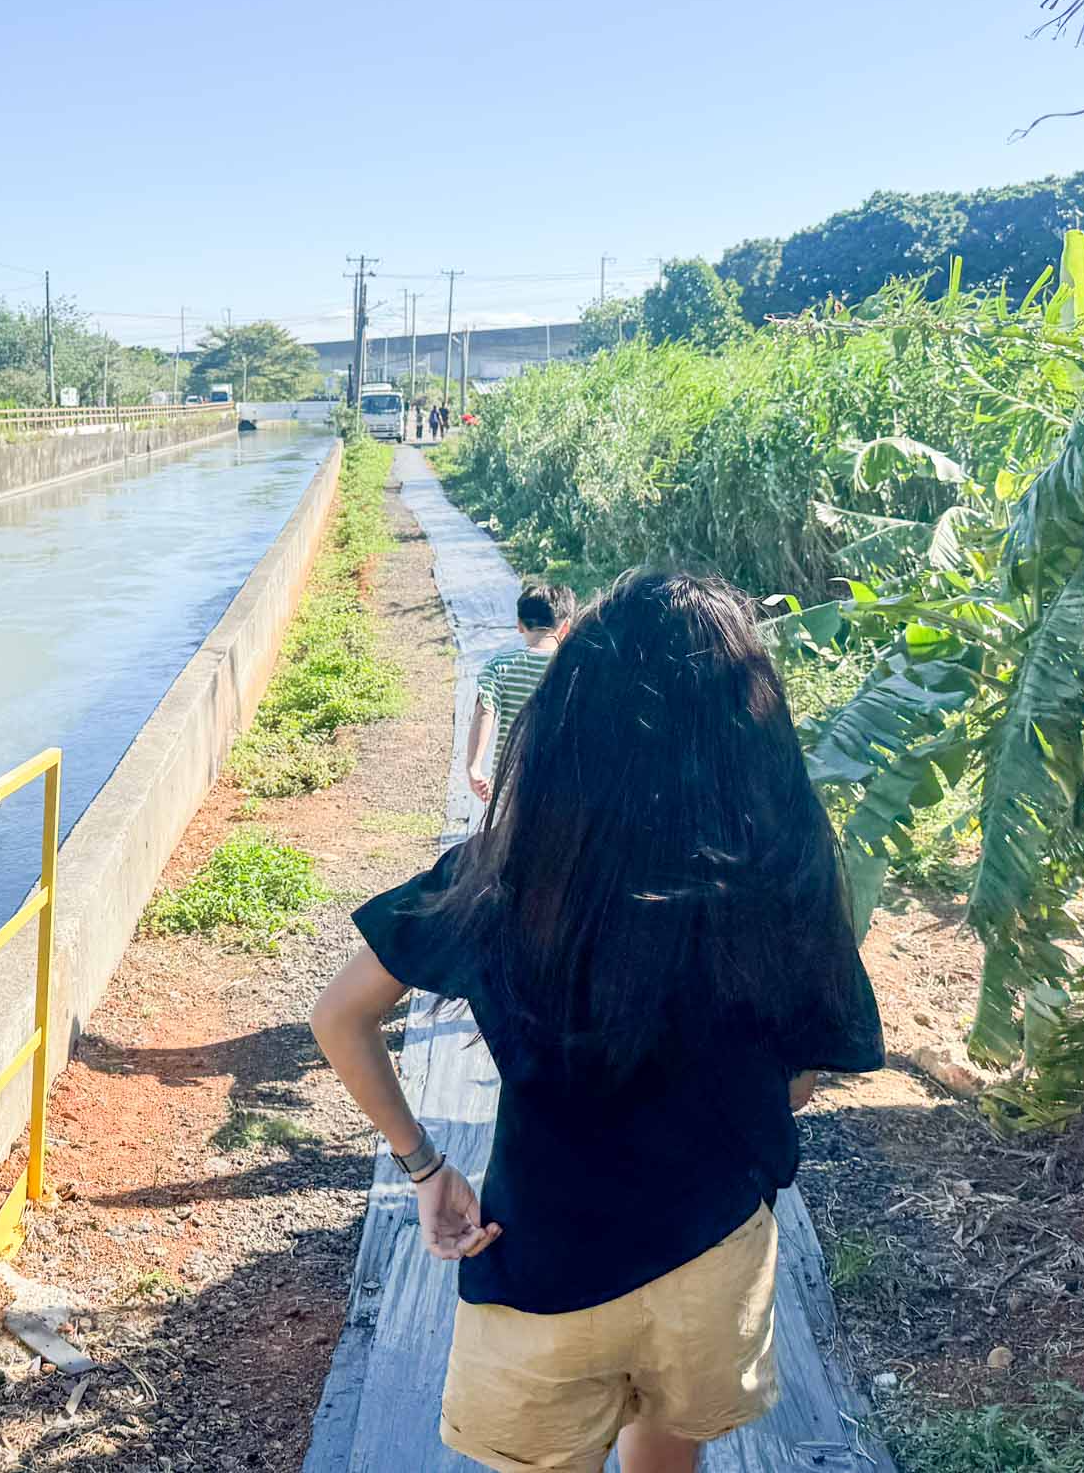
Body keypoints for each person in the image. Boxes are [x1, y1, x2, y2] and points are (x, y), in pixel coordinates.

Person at [311, 571, 884, 1473]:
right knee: (668, 1438)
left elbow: (341, 1017)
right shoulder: (788, 877)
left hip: (541, 1262)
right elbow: (804, 1079)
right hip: (713, 1255)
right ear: (753, 732)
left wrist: (425, 1167)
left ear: (569, 721)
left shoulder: (504, 873)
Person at [463, 582, 569, 803]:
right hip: (561, 787)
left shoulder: (499, 667)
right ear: (566, 627)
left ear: (520, 625)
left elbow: (485, 711)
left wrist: (474, 766)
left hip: (510, 786)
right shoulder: (574, 669)